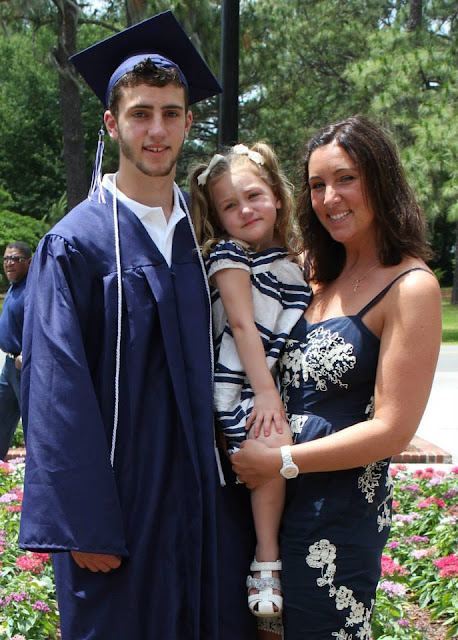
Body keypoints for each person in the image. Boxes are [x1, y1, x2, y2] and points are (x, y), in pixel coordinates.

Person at [19, 11, 255, 640]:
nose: (157, 130)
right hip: (121, 510)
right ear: (111, 123)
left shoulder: (199, 238)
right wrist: (83, 523)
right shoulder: (77, 244)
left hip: (202, 506)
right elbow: (55, 392)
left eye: (171, 114)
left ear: (188, 122)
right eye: (141, 113)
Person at [232, 115, 442, 639]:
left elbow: (392, 429)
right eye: (317, 184)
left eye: (346, 179)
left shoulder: (410, 287)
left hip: (336, 515)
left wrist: (281, 461)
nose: (330, 198)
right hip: (259, 500)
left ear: (380, 179)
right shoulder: (305, 271)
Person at [190, 142, 312, 620]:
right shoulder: (228, 255)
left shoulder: (288, 260)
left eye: (254, 196)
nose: (244, 210)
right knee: (272, 444)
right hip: (238, 382)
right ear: (218, 218)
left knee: (277, 452)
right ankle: (267, 559)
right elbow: (242, 326)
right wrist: (265, 394)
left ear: (277, 196)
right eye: (229, 205)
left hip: (268, 379)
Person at [0, 241, 31, 460]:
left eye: (15, 259)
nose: (9, 263)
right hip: (9, 366)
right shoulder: (15, 285)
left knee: (31, 422)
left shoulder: (32, 290)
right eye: (6, 259)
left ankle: (36, 472)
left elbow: (41, 326)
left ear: (29, 262)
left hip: (24, 366)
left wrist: (26, 354)